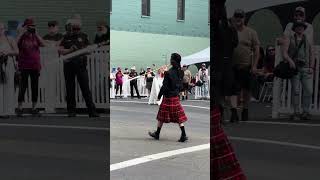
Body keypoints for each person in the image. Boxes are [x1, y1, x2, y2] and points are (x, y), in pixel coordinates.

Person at [59, 18, 99, 117]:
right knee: (70, 88)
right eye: (74, 28)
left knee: (85, 88)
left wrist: (82, 50)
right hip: (69, 65)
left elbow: (89, 50)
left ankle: (92, 111)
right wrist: (70, 50)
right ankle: (71, 111)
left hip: (81, 65)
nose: (76, 30)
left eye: (78, 28)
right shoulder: (65, 37)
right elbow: (60, 50)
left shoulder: (84, 36)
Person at [148, 53, 188, 142]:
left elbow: (164, 86)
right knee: (178, 117)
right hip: (175, 97)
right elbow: (181, 85)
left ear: (172, 61)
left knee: (161, 116)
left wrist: (159, 96)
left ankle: (157, 134)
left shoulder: (168, 73)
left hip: (168, 97)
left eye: (171, 59)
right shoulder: (181, 72)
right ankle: (183, 134)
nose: (170, 60)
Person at [230, 9, 261, 122]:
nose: (238, 18)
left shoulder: (251, 32)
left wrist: (254, 66)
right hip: (232, 66)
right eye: (236, 16)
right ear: (234, 18)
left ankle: (245, 110)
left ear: (244, 18)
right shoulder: (230, 31)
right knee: (233, 90)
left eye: (241, 16)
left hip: (247, 66)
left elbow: (257, 50)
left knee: (247, 90)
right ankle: (233, 111)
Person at [282, 21, 314, 121]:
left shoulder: (308, 39)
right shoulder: (290, 38)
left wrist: (312, 67)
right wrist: (290, 61)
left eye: (302, 27)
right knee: (295, 91)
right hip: (295, 68)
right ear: (294, 28)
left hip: (305, 67)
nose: (300, 28)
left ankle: (306, 111)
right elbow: (284, 53)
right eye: (298, 27)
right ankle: (296, 112)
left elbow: (311, 53)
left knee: (308, 90)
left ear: (304, 29)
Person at [16, 18, 46, 117]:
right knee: (23, 87)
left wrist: (36, 33)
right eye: (29, 26)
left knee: (35, 86)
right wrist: (22, 32)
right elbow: (15, 44)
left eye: (33, 26)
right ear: (25, 26)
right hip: (24, 65)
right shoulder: (22, 37)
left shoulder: (35, 36)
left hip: (35, 65)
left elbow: (43, 44)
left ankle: (34, 107)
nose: (31, 28)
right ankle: (20, 107)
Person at [0, 22, 19, 117]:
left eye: (1, 29)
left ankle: (9, 110)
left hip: (8, 64)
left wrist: (7, 52)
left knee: (9, 86)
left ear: (4, 29)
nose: (0, 31)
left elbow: (17, 52)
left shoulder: (10, 39)